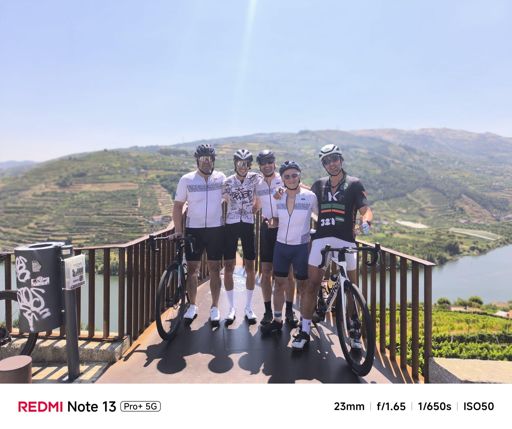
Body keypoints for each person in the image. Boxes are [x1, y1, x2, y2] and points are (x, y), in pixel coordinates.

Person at [292, 144, 373, 350]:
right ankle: (304, 329)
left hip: (346, 240)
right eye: (327, 161)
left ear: (341, 160)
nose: (332, 164)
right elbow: (301, 192)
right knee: (312, 285)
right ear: (324, 164)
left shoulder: (354, 184)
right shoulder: (319, 185)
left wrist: (366, 221)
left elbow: (365, 209)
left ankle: (354, 329)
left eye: (335, 159)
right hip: (321, 239)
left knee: (352, 288)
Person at [260, 161, 318, 336]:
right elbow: (275, 217)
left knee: (303, 286)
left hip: (301, 248)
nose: (291, 179)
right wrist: (271, 222)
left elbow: (320, 216)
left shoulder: (310, 197)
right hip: (281, 246)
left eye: (294, 175)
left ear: (299, 176)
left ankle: (304, 324)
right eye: (287, 176)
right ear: (283, 179)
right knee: (279, 284)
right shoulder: (278, 196)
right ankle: (277, 320)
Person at [172, 144, 226, 326]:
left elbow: (235, 193)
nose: (206, 162)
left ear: (213, 160)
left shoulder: (221, 178)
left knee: (215, 269)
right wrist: (178, 230)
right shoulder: (186, 180)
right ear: (197, 160)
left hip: (216, 229)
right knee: (193, 269)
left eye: (209, 158)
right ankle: (193, 305)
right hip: (194, 230)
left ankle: (215, 307)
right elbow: (178, 206)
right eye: (203, 159)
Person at [254, 150, 298, 326]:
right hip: (267, 230)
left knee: (288, 274)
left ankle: (289, 311)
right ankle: (267, 312)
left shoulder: (284, 178)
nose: (267, 165)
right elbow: (256, 204)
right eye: (263, 163)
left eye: (269, 162)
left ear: (274, 163)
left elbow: (301, 189)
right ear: (259, 166)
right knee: (266, 272)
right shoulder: (258, 184)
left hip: (284, 229)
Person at [222, 149, 259, 324]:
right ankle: (231, 308)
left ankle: (249, 307)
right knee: (228, 266)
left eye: (246, 163)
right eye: (240, 163)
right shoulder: (227, 182)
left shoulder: (255, 178)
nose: (243, 166)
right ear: (235, 164)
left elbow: (274, 182)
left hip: (248, 223)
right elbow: (217, 199)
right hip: (231, 224)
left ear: (250, 165)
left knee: (250, 266)